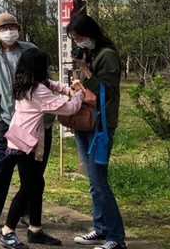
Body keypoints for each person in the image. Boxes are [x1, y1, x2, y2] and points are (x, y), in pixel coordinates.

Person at [0, 47, 84, 249]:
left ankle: (35, 229)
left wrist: (67, 89)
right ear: (39, 68)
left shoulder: (23, 84)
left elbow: (52, 84)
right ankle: (6, 232)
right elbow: (68, 108)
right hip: (28, 144)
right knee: (28, 187)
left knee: (37, 184)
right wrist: (79, 94)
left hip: (21, 140)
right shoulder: (38, 91)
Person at [0, 13, 55, 232]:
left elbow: (46, 79)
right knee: (2, 168)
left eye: (12, 27)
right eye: (3, 29)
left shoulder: (30, 49)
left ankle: (27, 213)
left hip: (35, 122)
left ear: (18, 30)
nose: (8, 32)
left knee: (32, 172)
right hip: (9, 121)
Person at [66, 13, 127, 249]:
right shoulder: (90, 55)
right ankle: (100, 228)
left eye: (79, 37)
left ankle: (116, 238)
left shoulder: (107, 55)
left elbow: (106, 92)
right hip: (85, 122)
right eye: (74, 39)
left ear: (91, 34)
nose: (78, 42)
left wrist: (86, 70)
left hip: (101, 126)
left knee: (100, 182)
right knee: (93, 181)